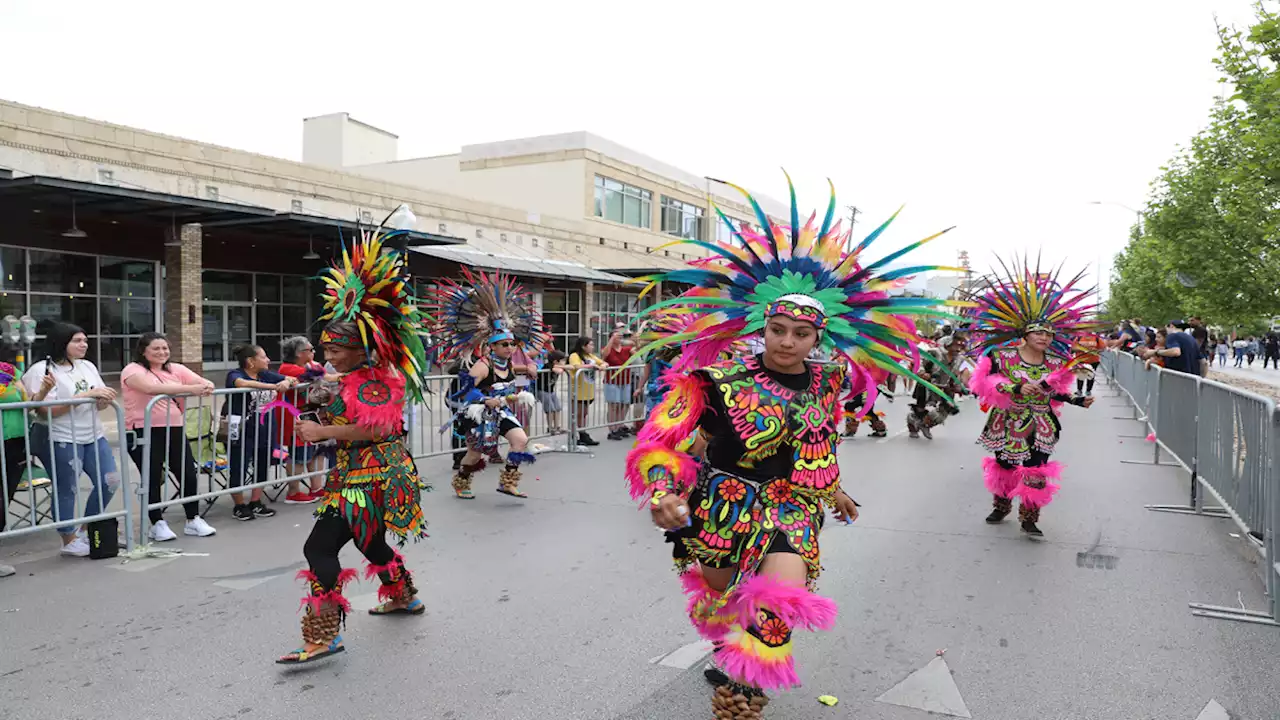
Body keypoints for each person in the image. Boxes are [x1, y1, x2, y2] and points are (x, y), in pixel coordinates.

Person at [626, 179, 953, 717]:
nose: (786, 341)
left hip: (791, 505)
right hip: (722, 502)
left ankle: (745, 694)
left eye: (799, 334)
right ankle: (726, 644)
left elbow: (817, 442)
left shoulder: (827, 383)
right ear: (764, 326)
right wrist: (663, 490)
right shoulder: (715, 380)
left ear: (817, 339)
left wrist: (834, 490)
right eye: (777, 329)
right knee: (720, 594)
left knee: (779, 598)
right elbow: (660, 439)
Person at [277, 224, 430, 665]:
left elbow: (379, 431)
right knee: (371, 545)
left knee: (319, 549)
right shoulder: (355, 378)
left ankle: (323, 635)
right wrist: (324, 411)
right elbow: (350, 413)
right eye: (326, 348)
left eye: (337, 349)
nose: (329, 356)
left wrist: (323, 431)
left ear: (361, 349)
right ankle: (404, 597)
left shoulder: (379, 380)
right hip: (360, 474)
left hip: (373, 477)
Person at [967, 261, 1100, 539]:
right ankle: (1001, 505)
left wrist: (1077, 400)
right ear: (1025, 335)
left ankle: (1029, 517)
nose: (1044, 338)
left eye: (1049, 334)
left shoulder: (1055, 361)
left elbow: (1057, 389)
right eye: (1039, 333)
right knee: (1004, 465)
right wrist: (1015, 387)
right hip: (1006, 422)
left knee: (1036, 468)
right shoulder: (1002, 356)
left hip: (1042, 423)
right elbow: (984, 382)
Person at [427, 268, 550, 500]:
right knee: (474, 454)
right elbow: (466, 390)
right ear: (492, 346)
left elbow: (510, 383)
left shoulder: (510, 363)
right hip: (479, 414)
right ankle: (462, 480)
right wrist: (484, 399)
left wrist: (528, 378)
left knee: (520, 440)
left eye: (511, 344)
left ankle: (508, 483)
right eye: (504, 344)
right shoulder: (483, 365)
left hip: (500, 411)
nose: (509, 348)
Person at [22, 323, 121, 556]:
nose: (84, 344)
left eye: (85, 340)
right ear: (60, 342)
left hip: (93, 434)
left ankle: (86, 530)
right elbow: (45, 411)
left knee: (110, 481)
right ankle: (68, 538)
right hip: (60, 437)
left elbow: (100, 393)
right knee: (68, 488)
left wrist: (103, 399)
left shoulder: (87, 366)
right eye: (77, 340)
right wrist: (85, 396)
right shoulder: (42, 370)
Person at [120, 332, 218, 541]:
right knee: (153, 476)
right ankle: (157, 523)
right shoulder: (132, 370)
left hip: (174, 427)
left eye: (165, 348)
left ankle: (193, 519)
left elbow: (206, 383)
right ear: (143, 351)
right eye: (156, 348)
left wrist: (205, 386)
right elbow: (150, 388)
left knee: (187, 474)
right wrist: (191, 389)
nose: (162, 352)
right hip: (142, 429)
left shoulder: (177, 369)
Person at [224, 344, 295, 521]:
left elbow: (293, 379)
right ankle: (239, 505)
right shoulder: (235, 374)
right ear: (250, 361)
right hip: (242, 428)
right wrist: (273, 386)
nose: (268, 360)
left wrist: (285, 382)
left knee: (263, 463)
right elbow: (242, 384)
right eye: (263, 357)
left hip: (265, 426)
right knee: (239, 465)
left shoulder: (264, 374)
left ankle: (255, 502)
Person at [277, 336, 327, 503]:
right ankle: (293, 492)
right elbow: (319, 374)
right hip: (294, 419)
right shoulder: (288, 368)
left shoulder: (306, 365)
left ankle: (316, 488)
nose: (314, 352)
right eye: (310, 349)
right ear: (299, 353)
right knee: (299, 456)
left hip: (310, 416)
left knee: (313, 454)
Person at [1, 341, 30, 567]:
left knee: (6, 493)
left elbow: (26, 400)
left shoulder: (10, 371)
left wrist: (44, 391)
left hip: (15, 440)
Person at [567, 336, 607, 446]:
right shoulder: (574, 355)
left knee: (584, 414)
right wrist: (592, 366)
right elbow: (576, 366)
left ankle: (582, 433)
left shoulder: (590, 356)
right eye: (591, 345)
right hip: (578, 390)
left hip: (588, 390)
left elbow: (603, 363)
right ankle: (575, 434)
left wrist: (602, 366)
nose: (593, 347)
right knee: (577, 414)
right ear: (583, 346)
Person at [602, 331, 636, 441]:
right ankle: (612, 429)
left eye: (620, 336)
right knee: (613, 405)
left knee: (624, 404)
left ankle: (619, 425)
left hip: (625, 381)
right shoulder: (608, 349)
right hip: (612, 381)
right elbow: (604, 355)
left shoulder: (626, 349)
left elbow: (637, 350)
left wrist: (636, 337)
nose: (619, 338)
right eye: (617, 336)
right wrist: (611, 340)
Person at [534, 350, 567, 435]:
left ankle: (557, 427)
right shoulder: (547, 366)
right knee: (550, 409)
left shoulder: (558, 366)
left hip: (550, 390)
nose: (564, 362)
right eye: (563, 360)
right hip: (542, 390)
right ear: (556, 361)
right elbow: (557, 370)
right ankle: (551, 428)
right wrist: (563, 368)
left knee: (557, 407)